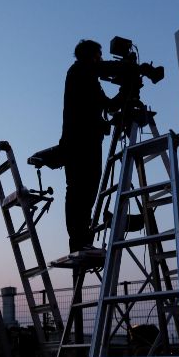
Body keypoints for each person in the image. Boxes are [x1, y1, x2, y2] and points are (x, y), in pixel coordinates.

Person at [58, 39, 120, 254]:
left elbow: (107, 105)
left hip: (79, 142)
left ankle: (79, 240)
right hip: (82, 143)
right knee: (83, 191)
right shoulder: (81, 72)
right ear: (92, 56)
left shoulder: (82, 74)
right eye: (99, 55)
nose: (101, 60)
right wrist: (127, 78)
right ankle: (80, 241)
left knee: (79, 192)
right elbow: (107, 104)